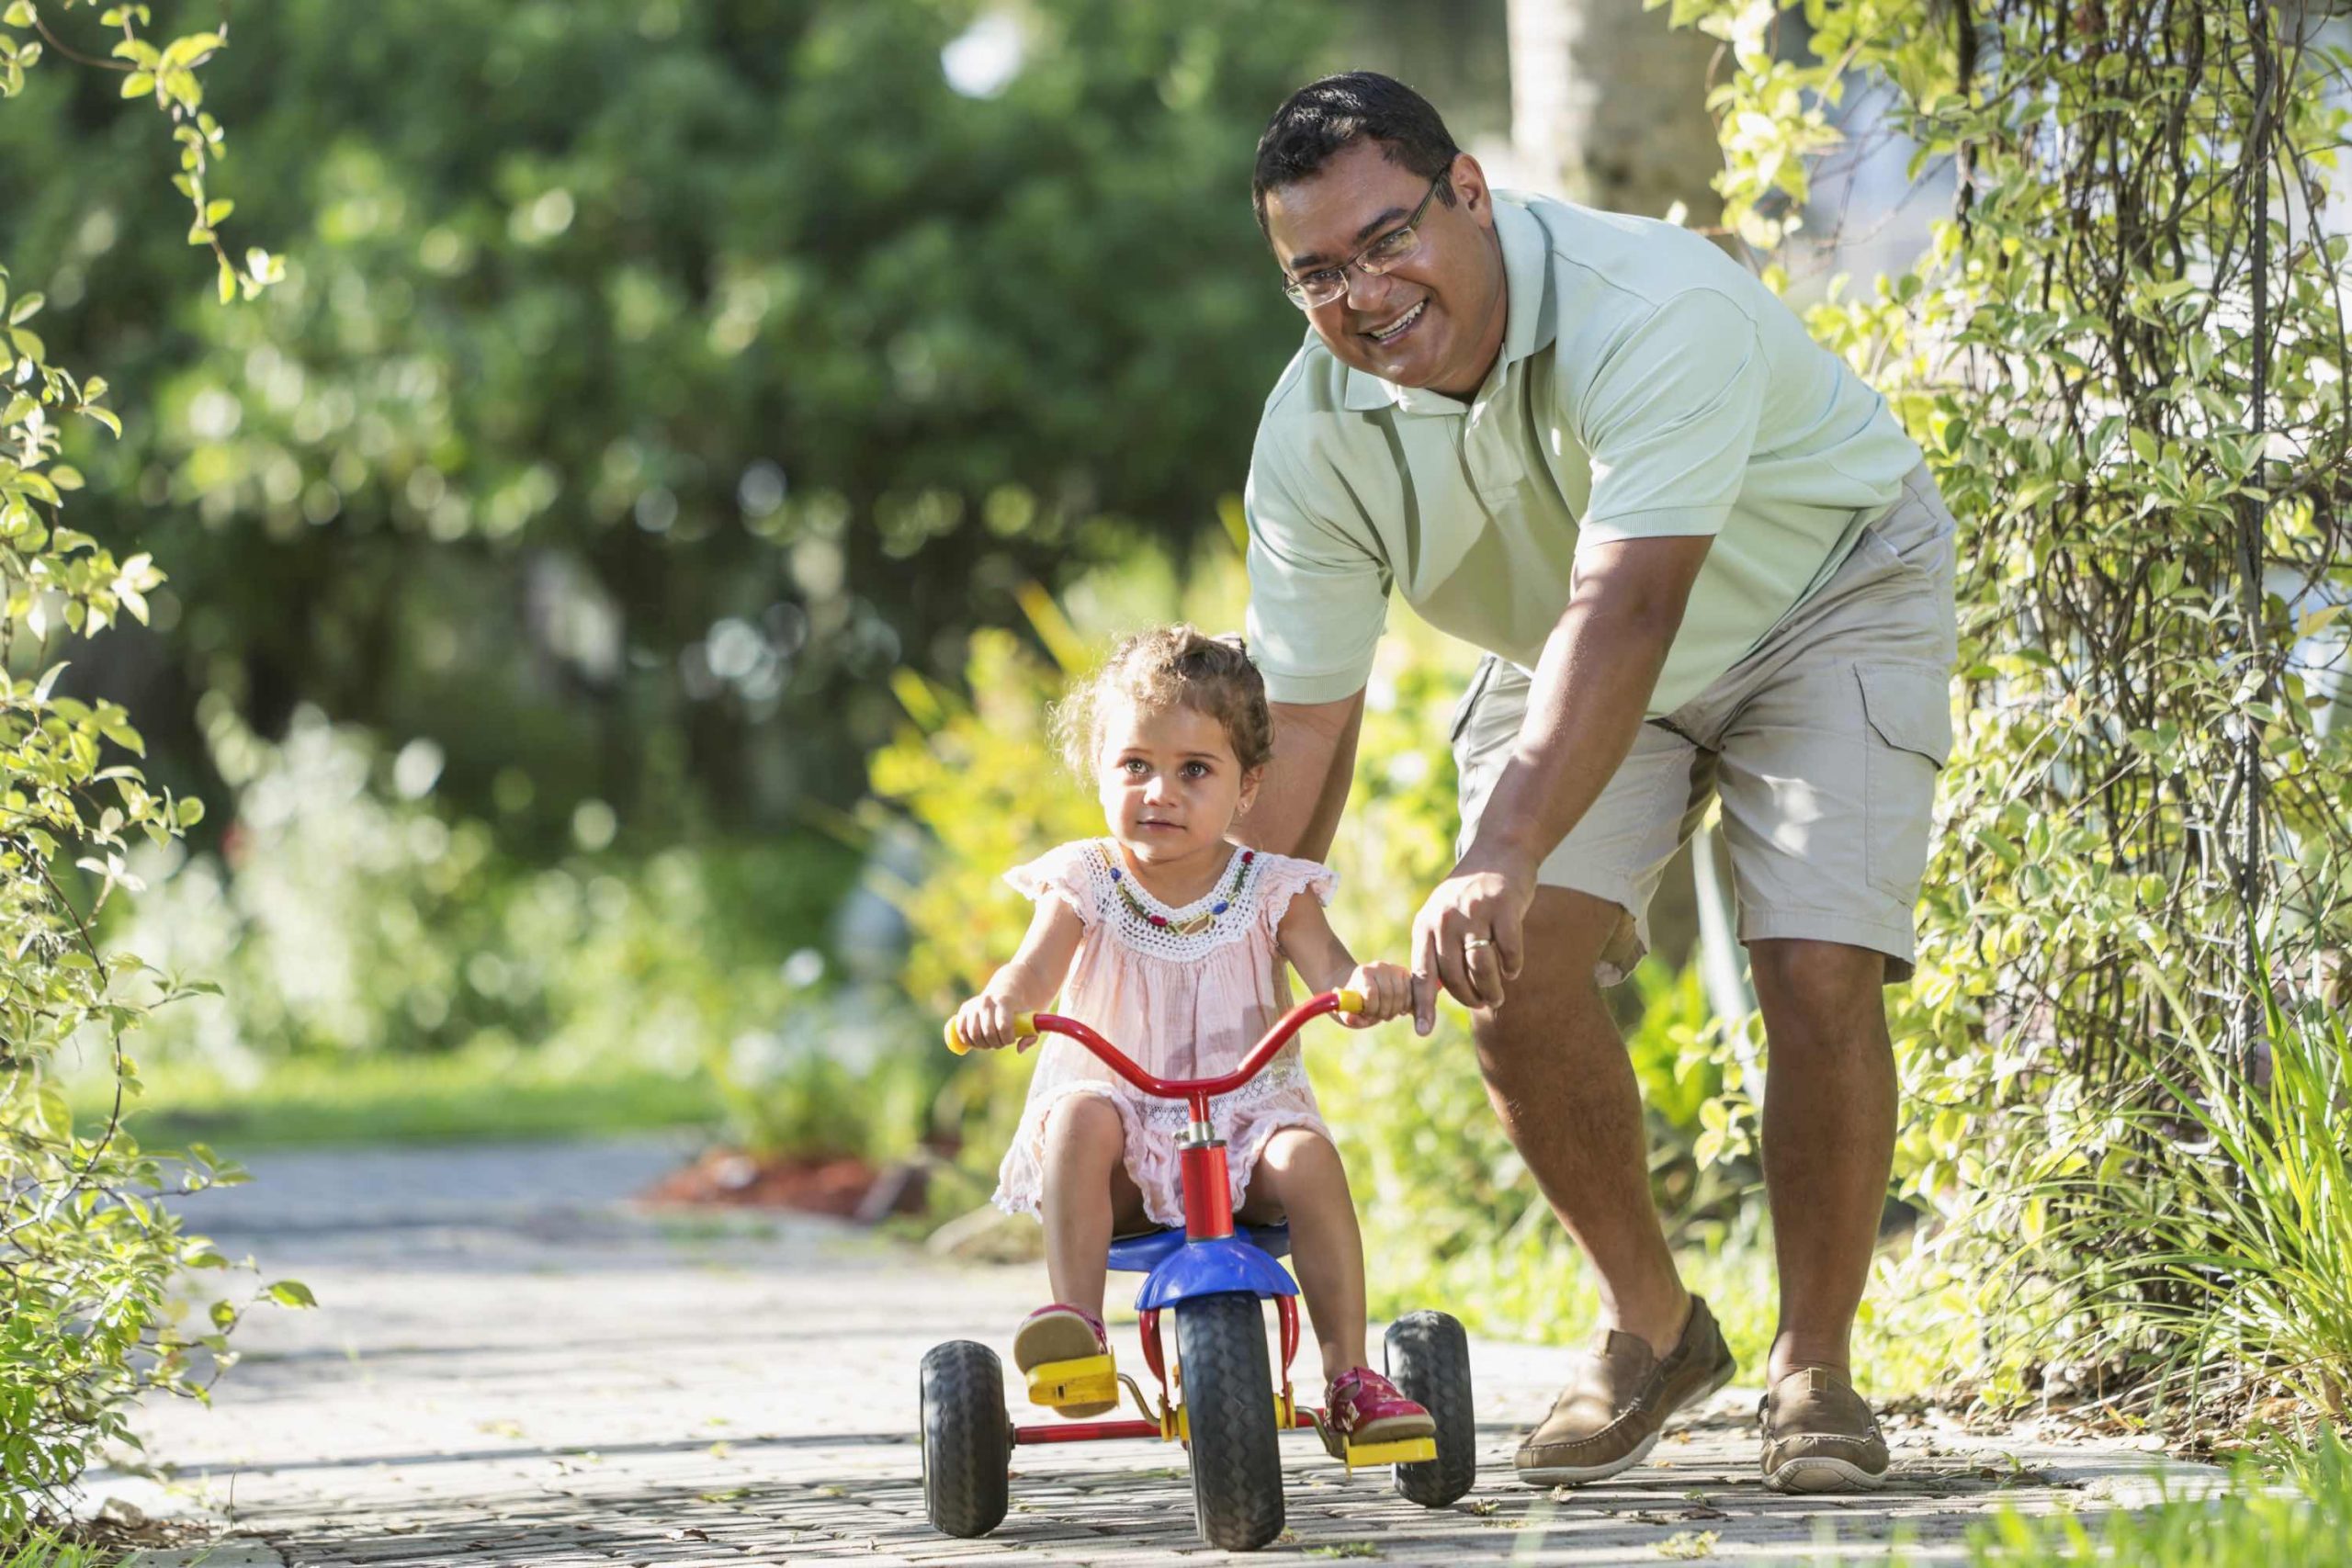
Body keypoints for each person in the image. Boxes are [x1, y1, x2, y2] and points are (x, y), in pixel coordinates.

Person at [1237, 73, 1960, 1494]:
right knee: (1508, 962)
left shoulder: (1651, 304)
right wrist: (1204, 951)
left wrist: (1503, 836)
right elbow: (1303, 732)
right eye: (1315, 273)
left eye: (1387, 240)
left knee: (1816, 965)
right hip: (1566, 644)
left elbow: (1633, 609)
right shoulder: (1312, 433)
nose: (1361, 294)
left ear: (1470, 193)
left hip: (1824, 589)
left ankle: (1814, 1364)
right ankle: (1656, 1322)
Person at [950, 626, 1432, 1448]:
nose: (1160, 792)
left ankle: (1349, 1374)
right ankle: (1078, 1332)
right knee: (1081, 1116)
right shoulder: (1085, 881)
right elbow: (1032, 972)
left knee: (1309, 1155)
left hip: (1244, 1131)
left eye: (1194, 771)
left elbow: (1332, 974)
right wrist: (999, 1002)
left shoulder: (1273, 885)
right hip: (1122, 1149)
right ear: (1100, 766)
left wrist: (1365, 987)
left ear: (1248, 787)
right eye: (1135, 764)